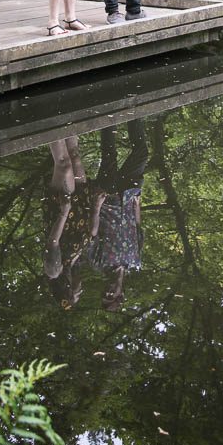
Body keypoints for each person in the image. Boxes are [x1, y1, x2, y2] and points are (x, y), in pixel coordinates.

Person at [88, 123, 148, 311]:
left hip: (108, 199)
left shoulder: (98, 263)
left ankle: (108, 117)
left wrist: (96, 207)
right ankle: (134, 113)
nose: (107, 292)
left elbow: (92, 234)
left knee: (109, 155)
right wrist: (138, 206)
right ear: (120, 295)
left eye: (104, 296)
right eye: (111, 296)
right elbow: (138, 229)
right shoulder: (135, 261)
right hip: (129, 196)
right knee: (141, 154)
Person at [43, 135, 105, 310]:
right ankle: (70, 120)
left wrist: (64, 212)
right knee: (75, 157)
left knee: (64, 165)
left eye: (77, 295)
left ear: (67, 292)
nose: (80, 291)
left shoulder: (54, 271)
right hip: (81, 205)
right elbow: (91, 235)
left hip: (64, 208)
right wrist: (96, 208)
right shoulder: (74, 265)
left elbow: (53, 242)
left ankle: (53, 124)